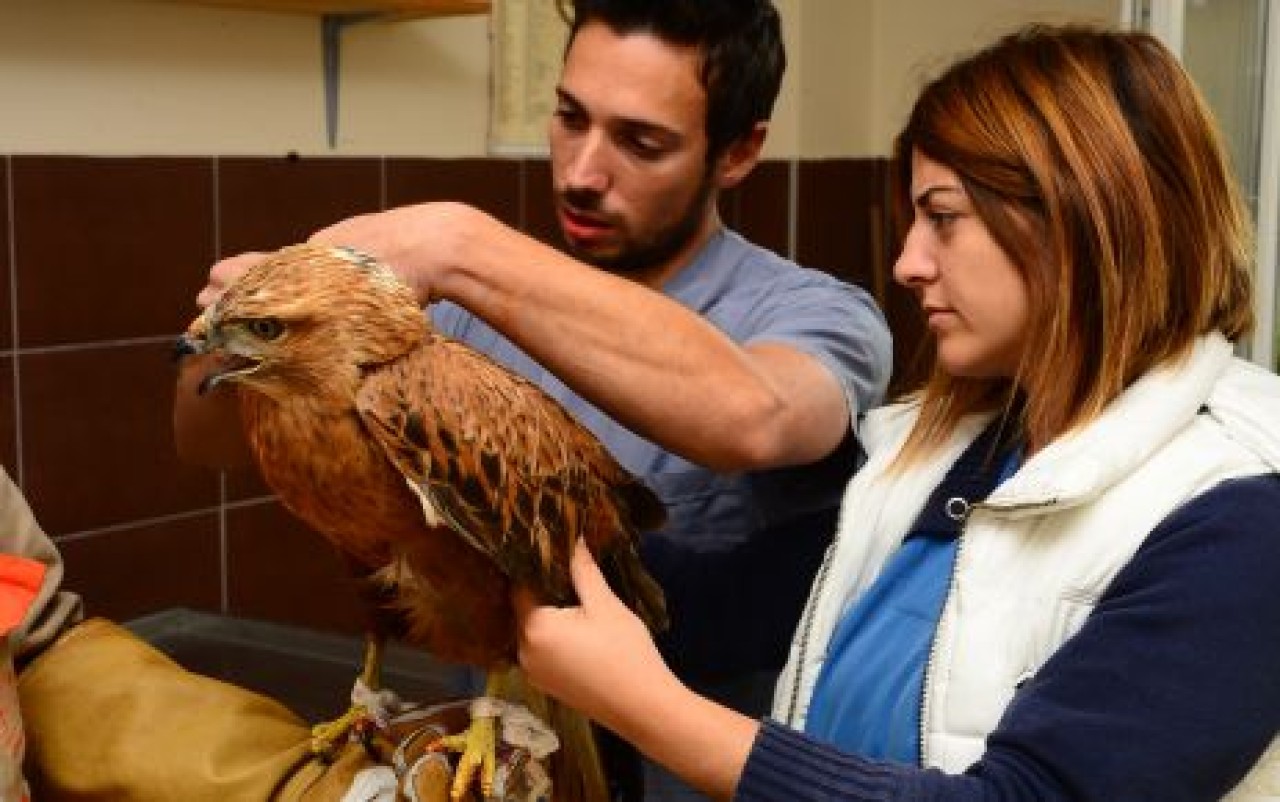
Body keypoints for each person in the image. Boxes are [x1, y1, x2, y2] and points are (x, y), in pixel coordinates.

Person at [510, 24, 1280, 801]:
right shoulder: (936, 455)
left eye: (942, 217)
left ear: (1082, 219)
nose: (907, 263)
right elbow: (721, 612)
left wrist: (652, 711)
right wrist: (503, 517)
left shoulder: (1242, 515)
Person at [191, 1, 892, 799]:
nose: (583, 172)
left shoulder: (817, 311)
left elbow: (758, 415)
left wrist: (457, 241)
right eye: (568, 118)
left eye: (641, 142)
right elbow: (201, 442)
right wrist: (252, 332)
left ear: (739, 152)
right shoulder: (439, 317)